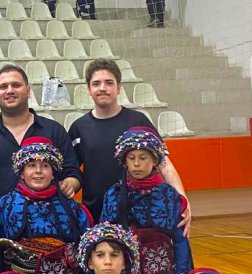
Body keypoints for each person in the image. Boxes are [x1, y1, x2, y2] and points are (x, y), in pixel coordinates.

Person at [68, 59, 189, 231]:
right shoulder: (79, 128)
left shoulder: (138, 121)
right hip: (96, 215)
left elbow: (164, 164)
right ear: (89, 89)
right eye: (96, 83)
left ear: (118, 88)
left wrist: (183, 199)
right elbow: (71, 171)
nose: (102, 88)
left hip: (139, 215)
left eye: (109, 83)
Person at [0, 137, 91, 274]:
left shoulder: (72, 208)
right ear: (21, 172)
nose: (38, 171)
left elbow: (86, 252)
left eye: (45, 165)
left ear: (53, 171)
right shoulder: (4, 206)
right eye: (31, 165)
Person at [100, 128, 192, 274]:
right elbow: (104, 236)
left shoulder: (170, 196)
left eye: (143, 158)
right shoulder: (113, 194)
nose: (136, 164)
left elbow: (180, 241)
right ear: (124, 161)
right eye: (131, 158)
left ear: (155, 160)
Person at [0, 65, 82, 203]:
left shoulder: (54, 130)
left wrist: (69, 184)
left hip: (47, 215)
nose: (9, 90)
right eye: (3, 87)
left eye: (16, 85)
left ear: (28, 91)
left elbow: (73, 172)